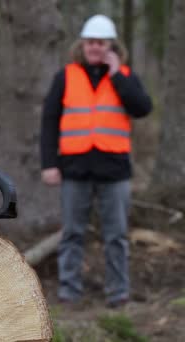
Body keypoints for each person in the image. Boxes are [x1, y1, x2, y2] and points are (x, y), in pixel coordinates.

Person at [40, 14, 152, 307]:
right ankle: (69, 292)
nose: (95, 47)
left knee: (116, 236)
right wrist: (49, 164)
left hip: (114, 170)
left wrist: (116, 75)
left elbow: (142, 108)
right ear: (83, 44)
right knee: (72, 233)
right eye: (90, 42)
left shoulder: (124, 76)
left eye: (101, 42)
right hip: (74, 168)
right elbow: (49, 122)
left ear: (111, 46)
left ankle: (118, 293)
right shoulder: (65, 76)